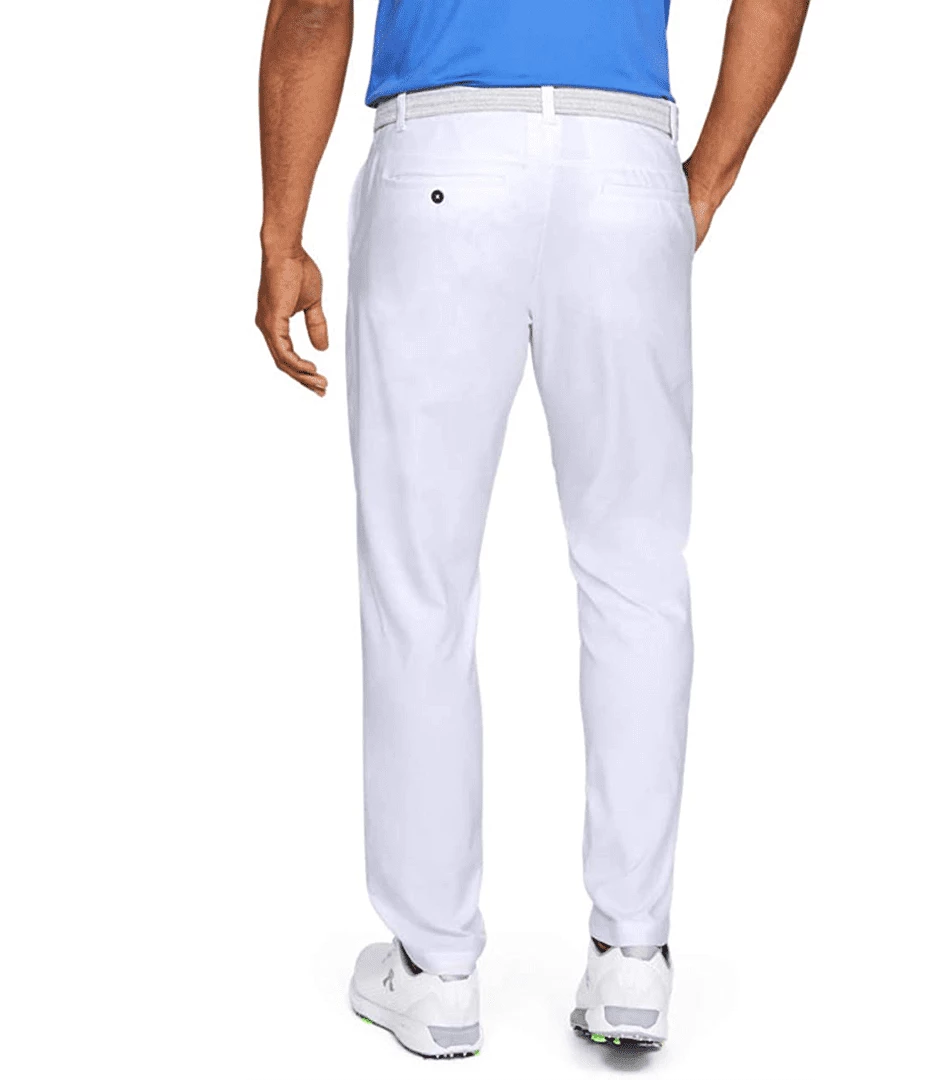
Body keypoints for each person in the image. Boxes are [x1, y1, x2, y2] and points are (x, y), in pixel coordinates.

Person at [256, 0, 809, 1059]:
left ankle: (434, 971)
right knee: (636, 571)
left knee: (421, 581)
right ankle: (633, 956)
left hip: (441, 155)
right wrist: (705, 177)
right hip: (623, 159)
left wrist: (282, 232)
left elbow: (316, 8)